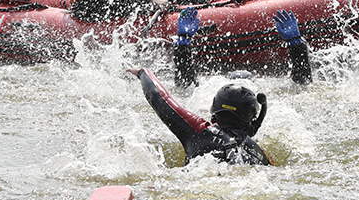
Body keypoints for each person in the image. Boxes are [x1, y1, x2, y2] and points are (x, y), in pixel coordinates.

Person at [127, 9, 312, 166]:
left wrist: (144, 72)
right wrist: (296, 44)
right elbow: (302, 88)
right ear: (251, 120)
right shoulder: (257, 153)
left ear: (214, 112)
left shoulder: (199, 131)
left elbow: (160, 97)